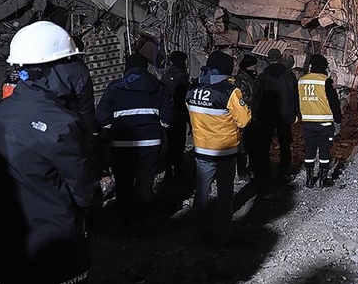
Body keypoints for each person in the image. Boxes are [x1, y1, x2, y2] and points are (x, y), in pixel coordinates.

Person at [0, 21, 100, 284]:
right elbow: (84, 191)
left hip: (9, 247)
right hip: (55, 251)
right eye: (69, 61)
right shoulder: (60, 124)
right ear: (52, 69)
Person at [96, 53, 173, 238]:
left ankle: (124, 224)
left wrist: (113, 126)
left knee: (123, 184)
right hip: (150, 143)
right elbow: (167, 119)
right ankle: (142, 225)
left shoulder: (115, 87)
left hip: (121, 144)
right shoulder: (159, 86)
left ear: (127, 68)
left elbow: (102, 117)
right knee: (145, 185)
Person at [187, 51, 251, 242]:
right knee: (225, 192)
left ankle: (197, 230)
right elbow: (244, 120)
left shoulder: (193, 88)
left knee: (201, 191)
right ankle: (223, 231)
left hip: (202, 149)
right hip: (225, 151)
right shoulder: (230, 91)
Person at [298, 54, 343, 188]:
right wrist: (338, 121)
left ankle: (309, 179)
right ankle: (323, 180)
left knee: (310, 149)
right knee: (324, 150)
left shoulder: (301, 81)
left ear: (311, 66)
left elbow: (297, 100)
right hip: (325, 122)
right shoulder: (325, 81)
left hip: (307, 122)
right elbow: (334, 102)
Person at [254, 48, 300, 180]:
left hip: (266, 115)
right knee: (285, 144)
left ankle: (265, 170)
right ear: (280, 59)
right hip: (285, 115)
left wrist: (256, 114)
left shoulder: (263, 76)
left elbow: (257, 97)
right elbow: (295, 95)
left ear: (268, 59)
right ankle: (284, 169)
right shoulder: (289, 75)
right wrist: (296, 112)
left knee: (264, 143)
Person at [161, 51, 190, 180]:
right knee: (179, 144)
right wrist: (190, 121)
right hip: (179, 115)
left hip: (167, 115)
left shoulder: (165, 76)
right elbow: (185, 100)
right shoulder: (182, 78)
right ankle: (177, 172)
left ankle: (168, 172)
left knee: (169, 144)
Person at [233, 54, 259, 181]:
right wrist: (257, 99)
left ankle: (251, 169)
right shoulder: (242, 80)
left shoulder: (249, 77)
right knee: (243, 146)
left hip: (251, 114)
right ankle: (242, 172)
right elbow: (243, 98)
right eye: (254, 64)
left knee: (252, 143)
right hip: (245, 115)